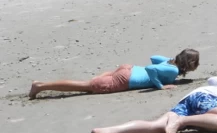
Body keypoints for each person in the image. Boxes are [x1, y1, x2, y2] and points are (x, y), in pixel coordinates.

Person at [29, 50, 200, 99]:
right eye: (196, 63)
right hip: (126, 79)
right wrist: (160, 86)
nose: (197, 66)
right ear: (190, 64)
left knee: (92, 83)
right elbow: (150, 68)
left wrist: (169, 60)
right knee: (85, 86)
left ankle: (41, 86)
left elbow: (154, 57)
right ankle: (41, 86)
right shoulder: (173, 70)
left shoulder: (170, 62)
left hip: (128, 68)